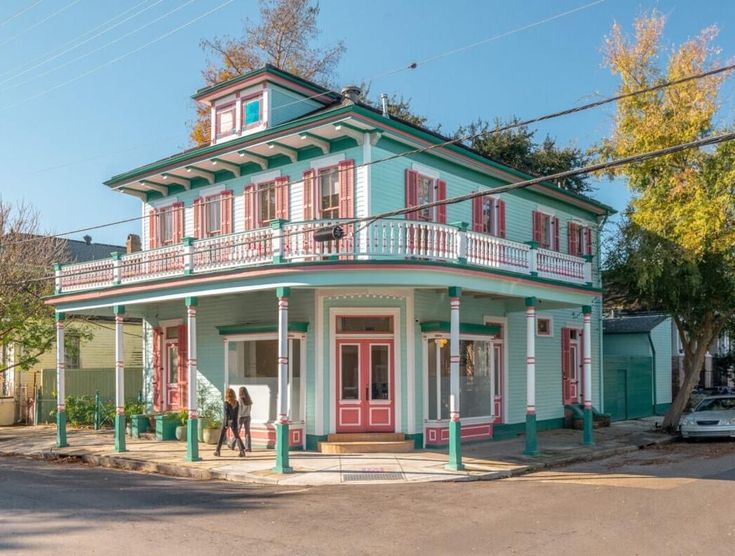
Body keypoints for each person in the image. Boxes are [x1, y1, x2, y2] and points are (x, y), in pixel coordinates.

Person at [214, 388, 245, 457]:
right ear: (233, 394)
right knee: (237, 436)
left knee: (221, 436)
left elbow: (226, 415)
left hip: (227, 421)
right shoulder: (236, 403)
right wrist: (235, 423)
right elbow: (236, 414)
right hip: (234, 421)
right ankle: (242, 451)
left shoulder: (226, 403)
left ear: (227, 395)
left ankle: (217, 451)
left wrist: (225, 424)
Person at [237, 386, 253, 452]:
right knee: (247, 432)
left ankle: (232, 444)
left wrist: (237, 417)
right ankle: (248, 447)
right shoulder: (249, 399)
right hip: (248, 416)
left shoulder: (240, 399)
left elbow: (239, 410)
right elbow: (250, 409)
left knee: (237, 431)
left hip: (241, 417)